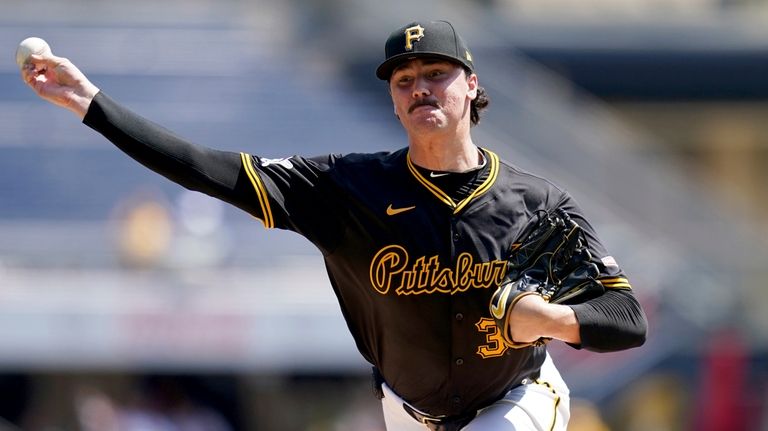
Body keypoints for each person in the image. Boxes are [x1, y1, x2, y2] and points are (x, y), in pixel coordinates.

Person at [21, 20, 647, 431]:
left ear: (472, 86)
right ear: (394, 98)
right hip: (408, 412)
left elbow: (626, 320)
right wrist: (89, 105)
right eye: (405, 79)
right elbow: (205, 170)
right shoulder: (346, 188)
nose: (420, 87)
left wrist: (553, 321)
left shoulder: (537, 203)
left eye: (436, 73)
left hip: (517, 397)